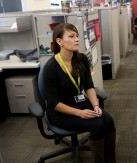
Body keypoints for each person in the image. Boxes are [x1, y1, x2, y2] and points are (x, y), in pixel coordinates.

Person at [43, 23, 116, 163]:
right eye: (71, 36)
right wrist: (79, 113)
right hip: (61, 112)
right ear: (59, 41)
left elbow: (89, 86)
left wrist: (95, 105)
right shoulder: (51, 68)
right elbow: (53, 103)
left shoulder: (81, 59)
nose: (77, 39)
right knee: (97, 125)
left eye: (77, 36)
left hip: (81, 103)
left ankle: (110, 160)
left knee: (108, 120)